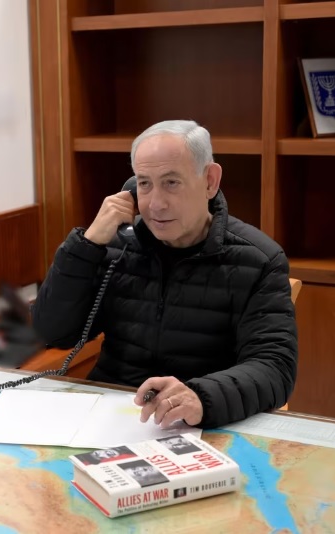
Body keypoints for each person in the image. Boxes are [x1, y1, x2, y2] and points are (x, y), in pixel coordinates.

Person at [31, 119, 298, 429]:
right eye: (144, 183)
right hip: (111, 415)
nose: (156, 204)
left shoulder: (259, 259)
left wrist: (200, 397)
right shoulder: (118, 246)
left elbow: (274, 367)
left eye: (171, 182)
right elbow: (51, 333)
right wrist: (86, 247)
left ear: (210, 181)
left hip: (197, 422)